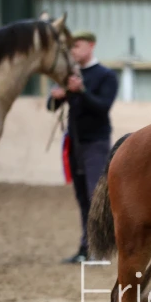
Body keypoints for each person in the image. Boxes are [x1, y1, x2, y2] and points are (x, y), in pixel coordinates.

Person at [48, 30, 119, 264]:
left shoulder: (105, 76)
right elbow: (51, 106)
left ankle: (101, 250)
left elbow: (102, 107)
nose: (73, 51)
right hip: (75, 143)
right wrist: (58, 96)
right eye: (71, 47)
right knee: (81, 197)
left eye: (77, 46)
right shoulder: (70, 75)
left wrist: (82, 91)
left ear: (91, 46)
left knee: (95, 196)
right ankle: (85, 248)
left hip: (95, 142)